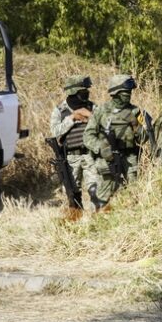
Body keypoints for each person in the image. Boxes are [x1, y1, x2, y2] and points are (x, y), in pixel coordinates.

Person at [83, 74, 144, 211]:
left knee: (133, 197)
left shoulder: (135, 111)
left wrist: (137, 126)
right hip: (107, 160)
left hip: (130, 160)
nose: (128, 95)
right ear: (115, 92)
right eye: (125, 93)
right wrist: (100, 148)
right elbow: (88, 136)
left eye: (130, 92)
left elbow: (144, 138)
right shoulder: (101, 111)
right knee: (102, 199)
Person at [49, 75, 96, 220]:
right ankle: (75, 222)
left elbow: (105, 125)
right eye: (83, 92)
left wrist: (91, 116)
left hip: (90, 155)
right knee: (72, 193)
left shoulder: (92, 107)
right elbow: (55, 131)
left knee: (96, 190)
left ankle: (99, 222)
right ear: (74, 92)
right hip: (70, 158)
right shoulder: (60, 111)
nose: (86, 94)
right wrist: (72, 118)